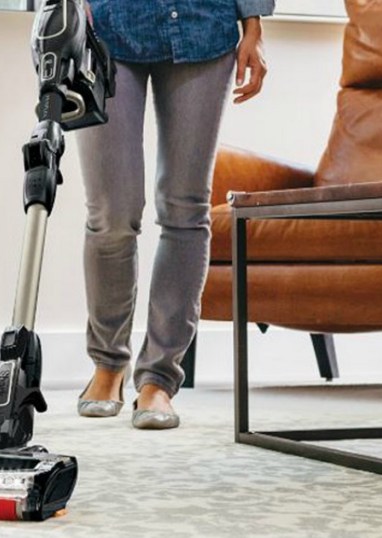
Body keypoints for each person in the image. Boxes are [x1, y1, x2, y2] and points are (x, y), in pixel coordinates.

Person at [76, 0, 274, 429]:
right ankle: (108, 364)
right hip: (105, 27)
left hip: (203, 26)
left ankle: (159, 380)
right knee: (112, 211)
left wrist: (254, 24)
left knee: (185, 209)